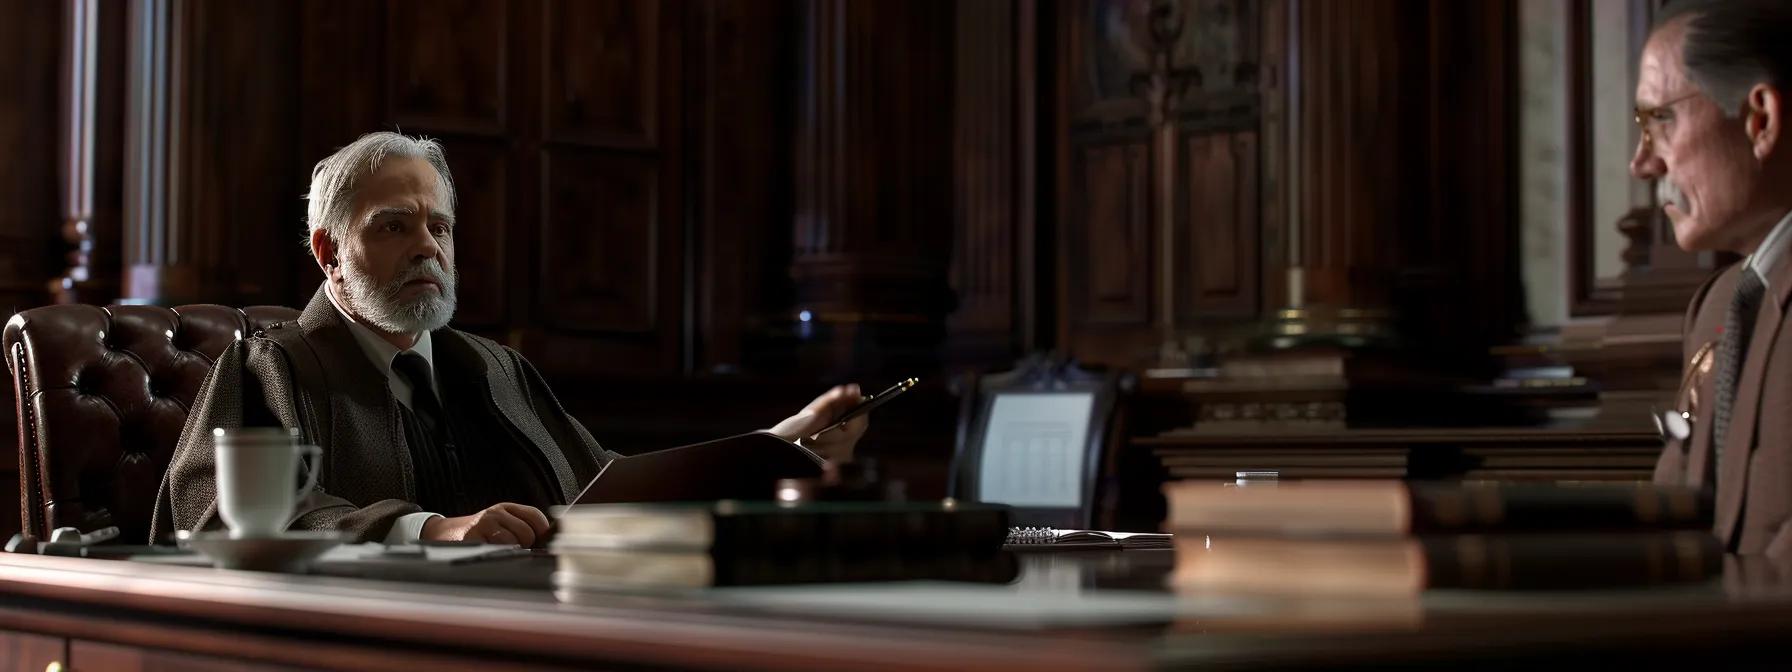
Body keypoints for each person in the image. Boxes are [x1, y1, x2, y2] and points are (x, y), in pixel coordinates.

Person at [149, 132, 869, 546]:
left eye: (440, 227)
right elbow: (226, 522)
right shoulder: (269, 365)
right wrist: (432, 531)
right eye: (394, 225)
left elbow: (602, 490)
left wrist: (773, 446)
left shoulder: (495, 369)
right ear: (328, 252)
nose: (427, 247)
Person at [1637, 0, 1792, 556]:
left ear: (1761, 120)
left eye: (1660, 120)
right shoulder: (1715, 306)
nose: (1643, 163)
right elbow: (1674, 490)